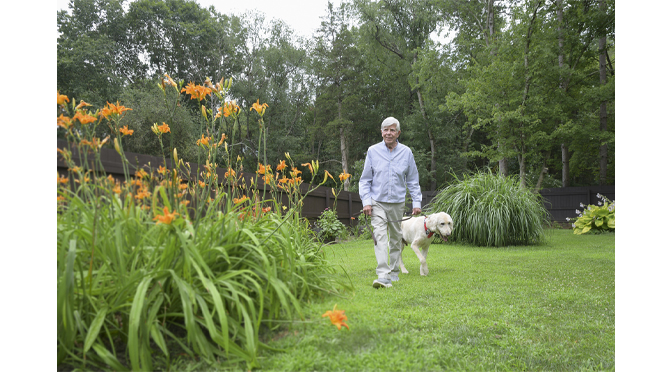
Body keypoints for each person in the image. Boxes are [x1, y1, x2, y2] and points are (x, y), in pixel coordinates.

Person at [359, 117, 422, 289]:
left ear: (398, 133)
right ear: (381, 132)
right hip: (377, 201)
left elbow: (413, 180)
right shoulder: (373, 151)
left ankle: (394, 272)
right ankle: (383, 275)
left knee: (395, 239)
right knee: (379, 236)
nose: (388, 133)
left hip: (397, 203)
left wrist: (417, 202)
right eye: (385, 130)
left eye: (392, 130)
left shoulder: (406, 152)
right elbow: (365, 180)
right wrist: (366, 202)